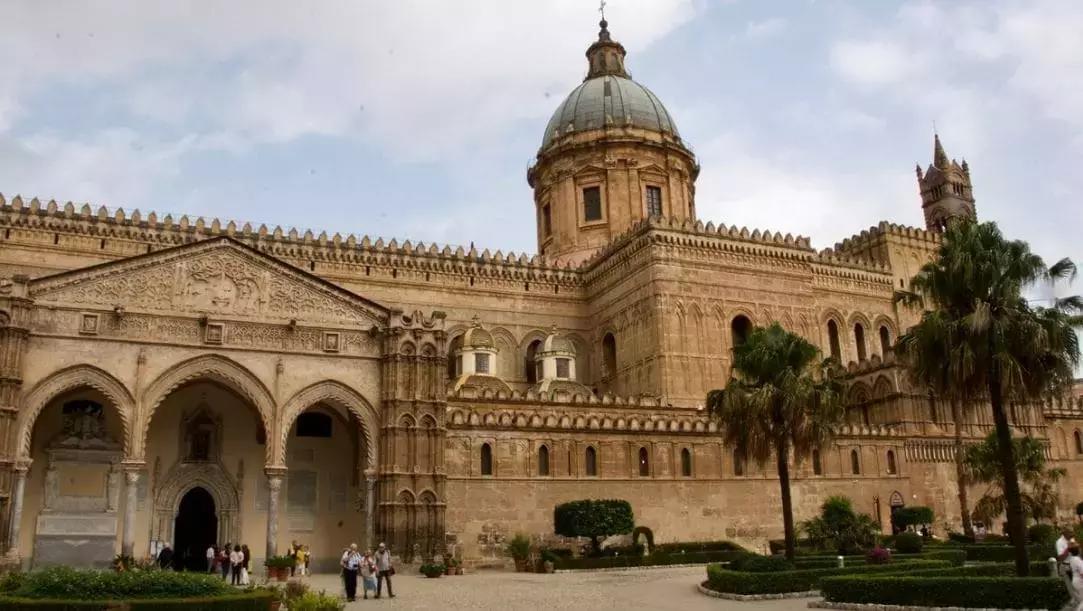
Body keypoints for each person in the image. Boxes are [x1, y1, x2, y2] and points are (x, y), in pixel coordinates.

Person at [1058, 528, 1076, 601]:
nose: (1072, 534)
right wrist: (1068, 548)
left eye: (1072, 532)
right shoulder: (1059, 542)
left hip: (1075, 566)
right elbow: (1061, 558)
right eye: (1070, 532)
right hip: (1066, 568)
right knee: (1072, 590)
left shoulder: (1072, 539)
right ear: (1065, 533)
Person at [1069, 546, 1083, 611]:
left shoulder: (1072, 559)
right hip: (1080, 581)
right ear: (1078, 551)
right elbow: (1082, 573)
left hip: (1075, 580)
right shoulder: (1078, 560)